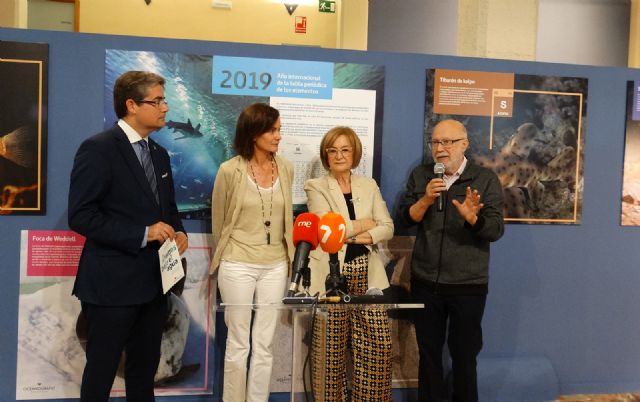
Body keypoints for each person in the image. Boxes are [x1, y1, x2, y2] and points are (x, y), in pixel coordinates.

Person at [68, 70, 188, 402]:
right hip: (110, 286)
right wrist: (141, 233)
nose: (165, 108)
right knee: (102, 371)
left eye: (164, 100)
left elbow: (169, 208)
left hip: (153, 286)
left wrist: (178, 232)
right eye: (158, 101)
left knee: (143, 370)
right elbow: (81, 216)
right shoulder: (98, 149)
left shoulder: (160, 154)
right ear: (132, 105)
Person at [398, 119, 504, 402]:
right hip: (425, 282)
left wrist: (474, 220)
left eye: (448, 142)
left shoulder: (485, 179)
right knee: (429, 355)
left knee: (465, 356)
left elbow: (495, 230)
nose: (441, 149)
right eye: (435, 142)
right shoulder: (422, 176)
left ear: (464, 144)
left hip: (468, 285)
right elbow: (404, 219)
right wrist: (425, 200)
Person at [211, 103, 294, 402]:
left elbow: (287, 219)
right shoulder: (229, 170)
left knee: (264, 344)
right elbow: (219, 221)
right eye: (272, 130)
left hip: (276, 264)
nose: (278, 136)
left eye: (279, 130)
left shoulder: (285, 167)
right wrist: (222, 258)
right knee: (238, 344)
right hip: (237, 263)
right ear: (254, 132)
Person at [304, 126, 394, 402]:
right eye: (332, 151)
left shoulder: (369, 185)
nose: (339, 156)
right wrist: (366, 225)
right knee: (329, 357)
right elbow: (325, 230)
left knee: (378, 349)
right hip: (332, 275)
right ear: (325, 155)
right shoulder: (315, 186)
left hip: (369, 276)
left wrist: (360, 232)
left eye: (345, 150)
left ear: (354, 153)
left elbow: (387, 226)